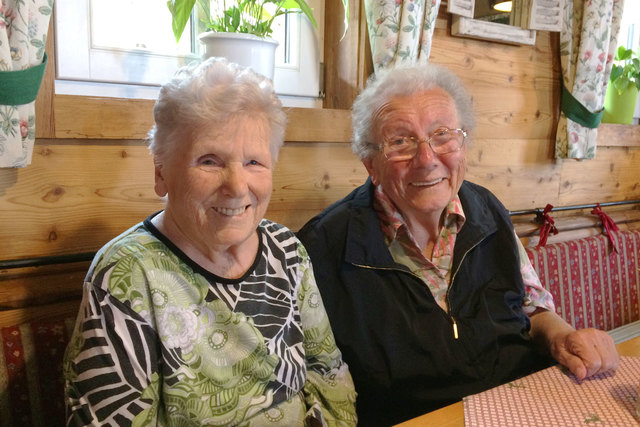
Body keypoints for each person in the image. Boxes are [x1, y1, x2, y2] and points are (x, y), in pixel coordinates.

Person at [297, 64, 619, 426]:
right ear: (370, 162)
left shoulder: (487, 210)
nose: (427, 159)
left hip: (522, 405)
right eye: (400, 141)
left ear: (463, 144)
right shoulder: (323, 246)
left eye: (443, 134)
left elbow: (532, 307)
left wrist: (562, 336)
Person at [63, 58, 357, 426]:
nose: (236, 186)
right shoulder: (126, 277)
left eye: (254, 162)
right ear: (161, 174)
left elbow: (329, 375)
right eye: (209, 161)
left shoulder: (287, 250)